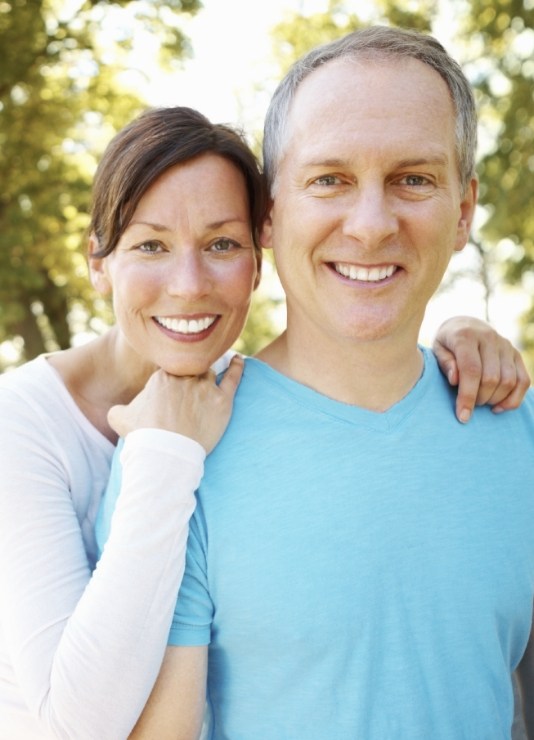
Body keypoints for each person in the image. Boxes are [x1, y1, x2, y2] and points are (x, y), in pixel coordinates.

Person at [102, 26, 534, 739]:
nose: (369, 225)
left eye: (413, 179)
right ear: (270, 213)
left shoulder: (515, 431)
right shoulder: (176, 459)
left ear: (463, 213)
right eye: (329, 178)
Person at [0, 105, 267, 738]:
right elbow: (77, 724)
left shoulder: (252, 395)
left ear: (259, 261)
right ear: (99, 263)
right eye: (151, 245)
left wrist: (463, 339)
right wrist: (164, 455)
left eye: (222, 244)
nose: (188, 284)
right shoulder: (19, 424)